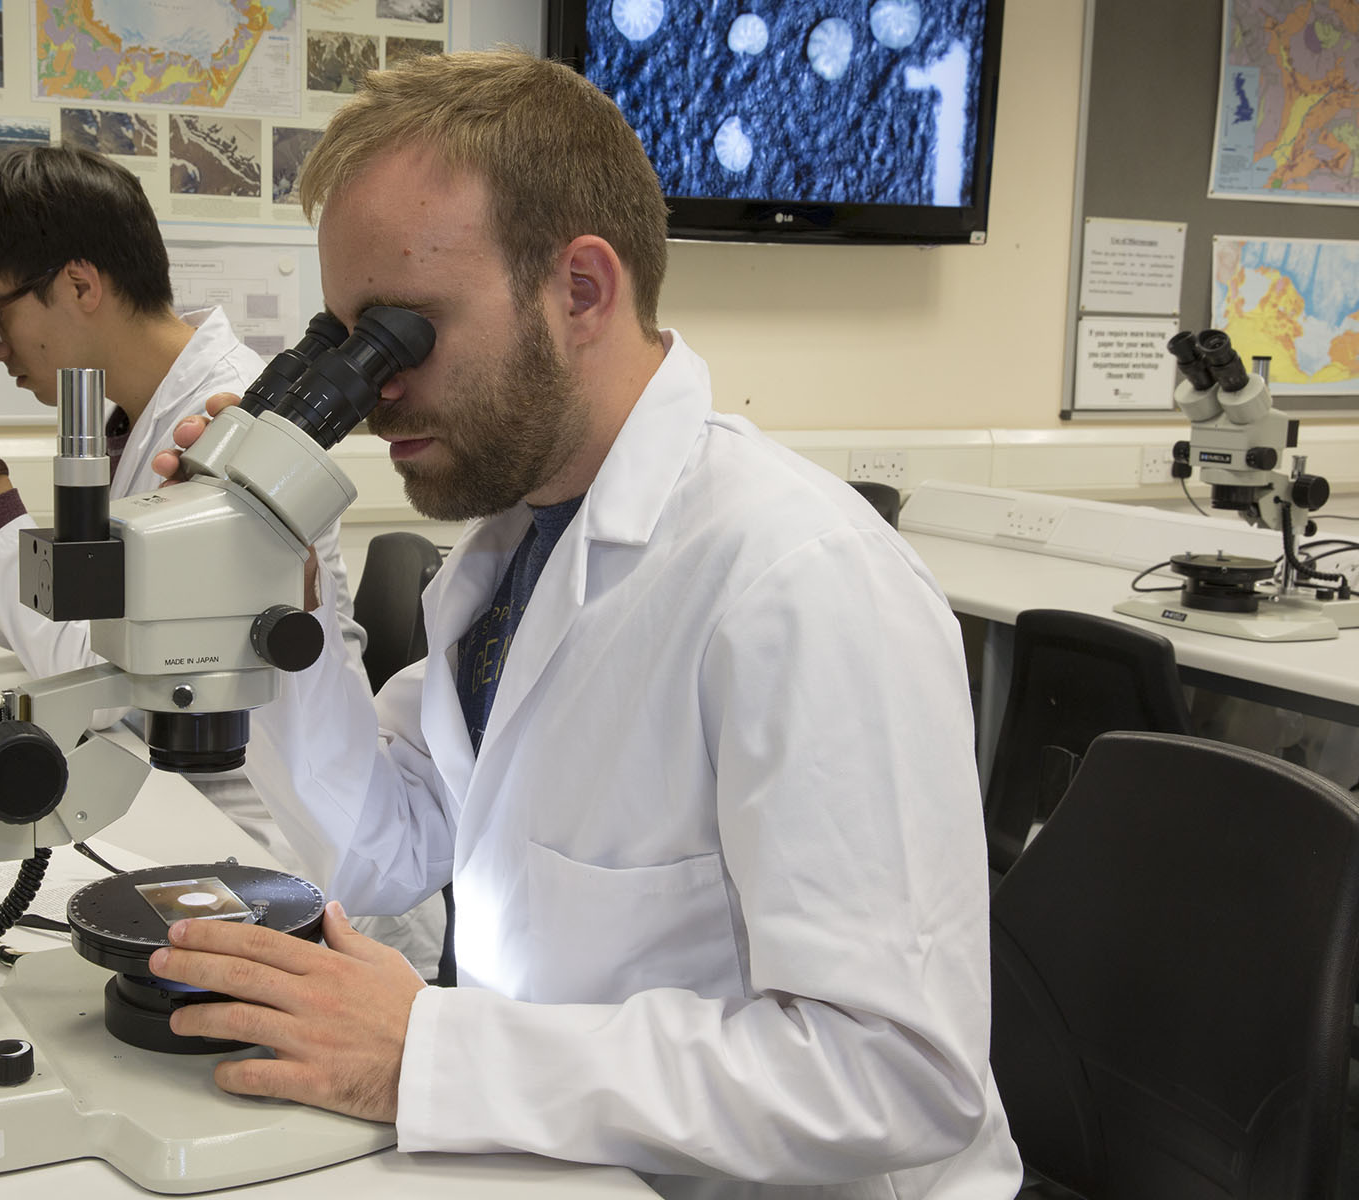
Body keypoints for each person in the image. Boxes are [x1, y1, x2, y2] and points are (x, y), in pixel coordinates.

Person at [145, 50, 1024, 1198]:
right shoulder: (516, 538)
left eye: (401, 333)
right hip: (570, 1162)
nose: (373, 390)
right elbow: (384, 845)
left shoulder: (800, 582)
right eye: (346, 341)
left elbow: (895, 1078)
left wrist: (438, 1050)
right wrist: (269, 588)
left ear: (582, 291)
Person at [0, 144, 444, 976]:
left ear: (79, 285)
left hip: (298, 870)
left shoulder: (238, 433)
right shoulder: (135, 418)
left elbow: (101, 664)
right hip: (207, 829)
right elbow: (104, 640)